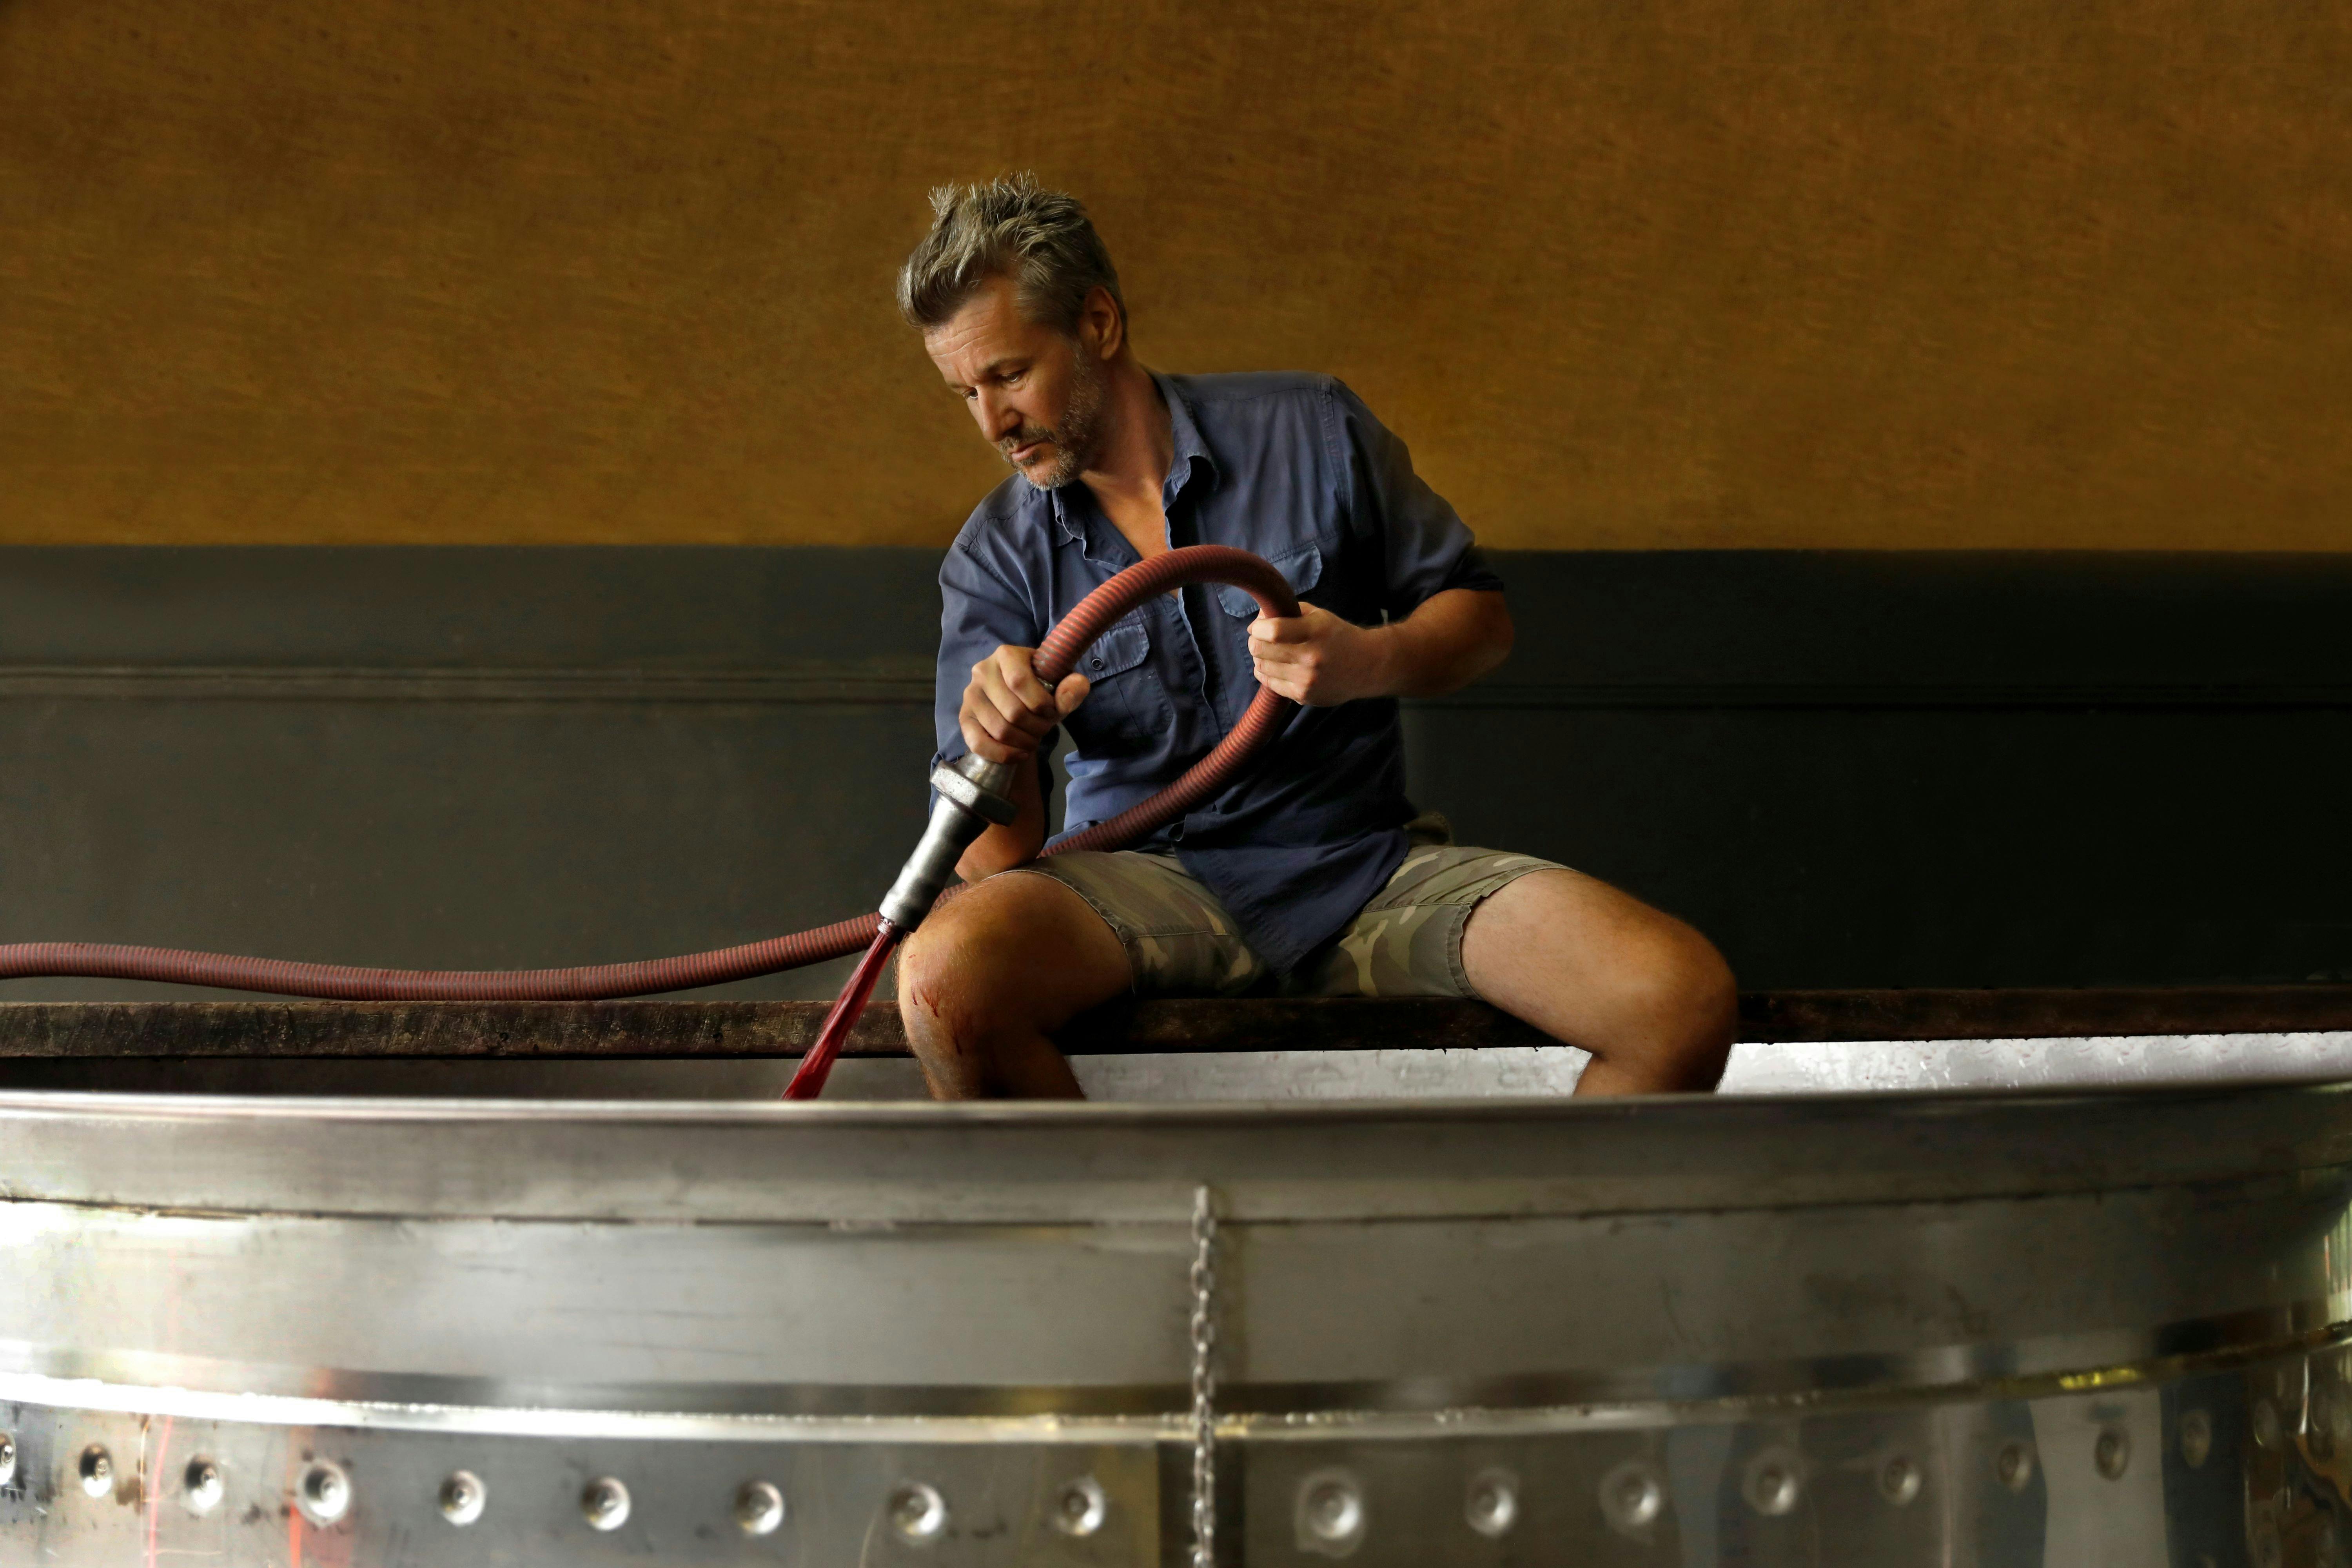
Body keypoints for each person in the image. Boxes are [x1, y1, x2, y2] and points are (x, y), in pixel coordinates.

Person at [892, 174, 1735, 1100]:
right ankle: (1118, 1246)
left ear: (1098, 325)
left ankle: (1516, 1246)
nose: (991, 422)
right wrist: (997, 745)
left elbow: (1480, 618)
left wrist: (1372, 659)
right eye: (962, 392)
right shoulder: (993, 556)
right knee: (944, 979)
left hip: (1363, 871)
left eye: (1009, 374)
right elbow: (994, 866)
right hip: (1134, 893)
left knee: (1675, 998)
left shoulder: (1316, 427)